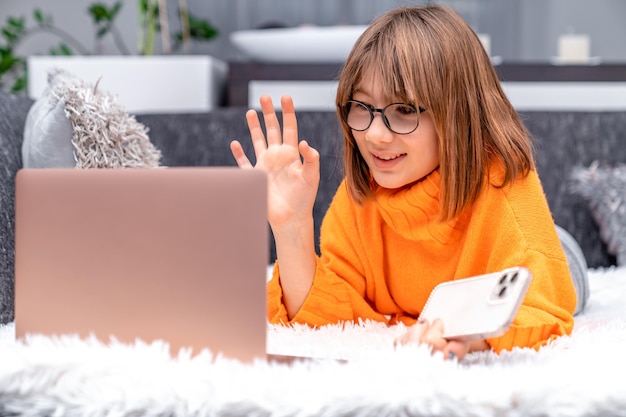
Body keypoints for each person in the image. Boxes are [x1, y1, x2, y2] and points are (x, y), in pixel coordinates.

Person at [230, 4, 576, 361]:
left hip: (545, 250)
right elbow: (328, 312)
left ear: (458, 112)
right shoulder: (363, 195)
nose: (376, 135)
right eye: (361, 106)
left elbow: (544, 310)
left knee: (564, 264)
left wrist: (469, 340)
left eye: (405, 110)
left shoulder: (504, 188)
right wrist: (292, 228)